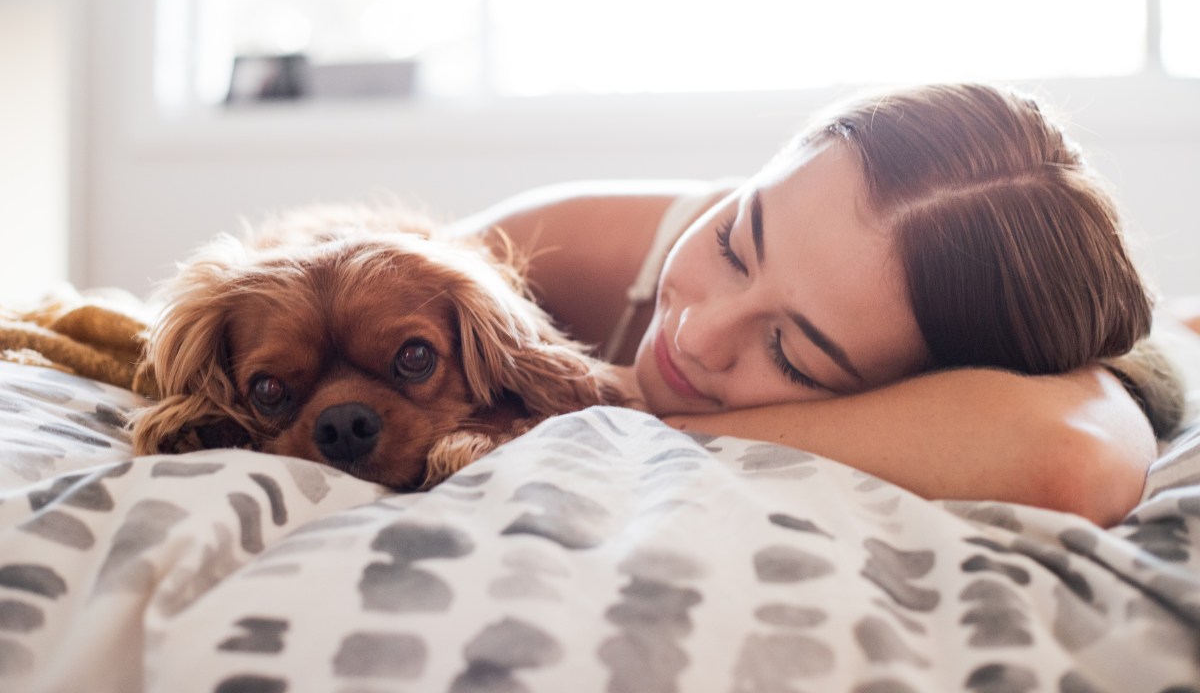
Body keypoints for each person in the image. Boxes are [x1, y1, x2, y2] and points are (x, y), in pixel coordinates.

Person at [456, 83, 1184, 527]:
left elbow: (1069, 462)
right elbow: (349, 274)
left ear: (925, 391)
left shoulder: (1029, 385)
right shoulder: (577, 244)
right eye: (735, 244)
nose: (695, 333)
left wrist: (629, 416)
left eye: (789, 352)